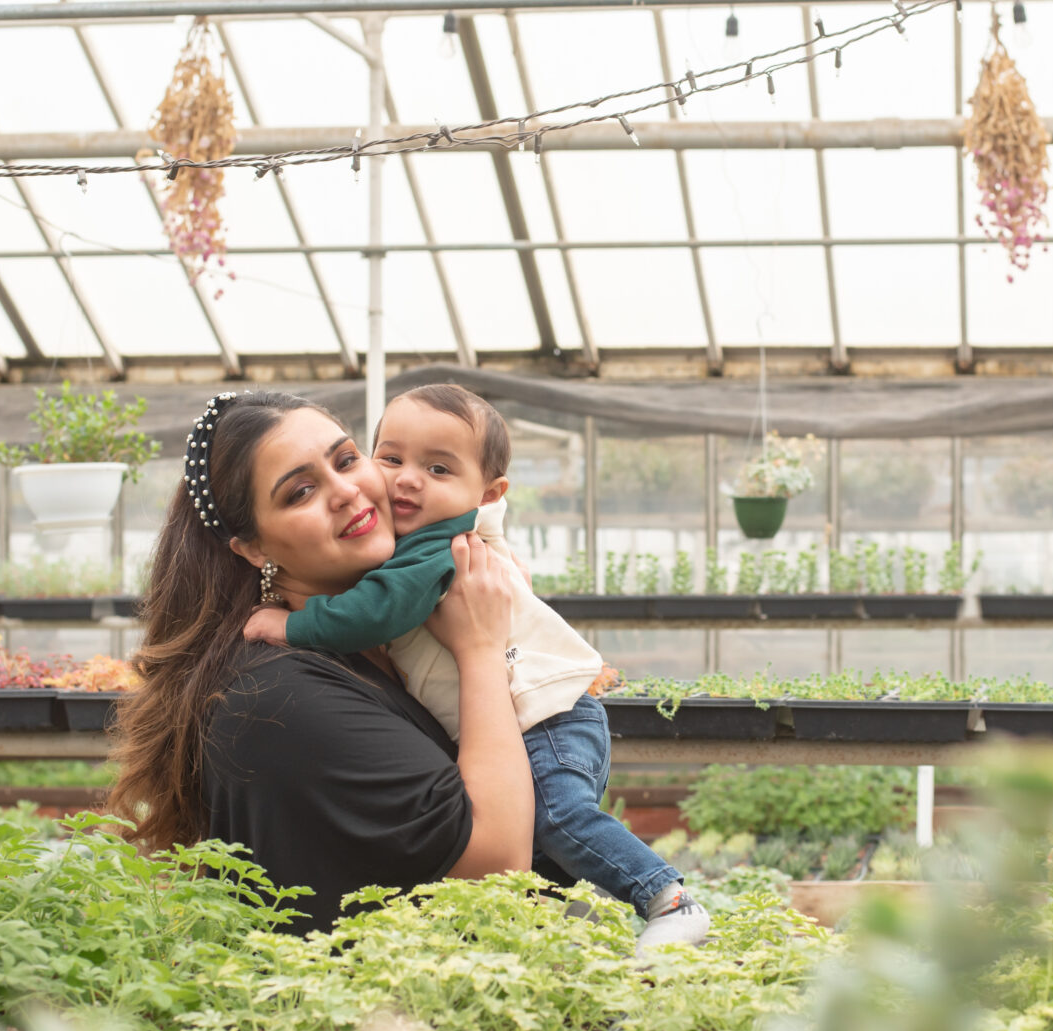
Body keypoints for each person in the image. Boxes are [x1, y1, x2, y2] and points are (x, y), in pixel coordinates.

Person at [242, 384, 709, 952]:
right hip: (539, 717)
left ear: (487, 493)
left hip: (546, 720)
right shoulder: (425, 543)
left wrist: (290, 626)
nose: (408, 480)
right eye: (391, 458)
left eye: (438, 469)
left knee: (559, 819)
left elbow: (376, 611)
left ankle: (667, 898)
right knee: (544, 846)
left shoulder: (437, 547)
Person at [106, 390, 534, 936]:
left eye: (347, 460)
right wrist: (481, 651)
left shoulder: (379, 643)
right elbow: (498, 868)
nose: (346, 491)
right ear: (254, 549)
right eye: (300, 492)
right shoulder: (281, 695)